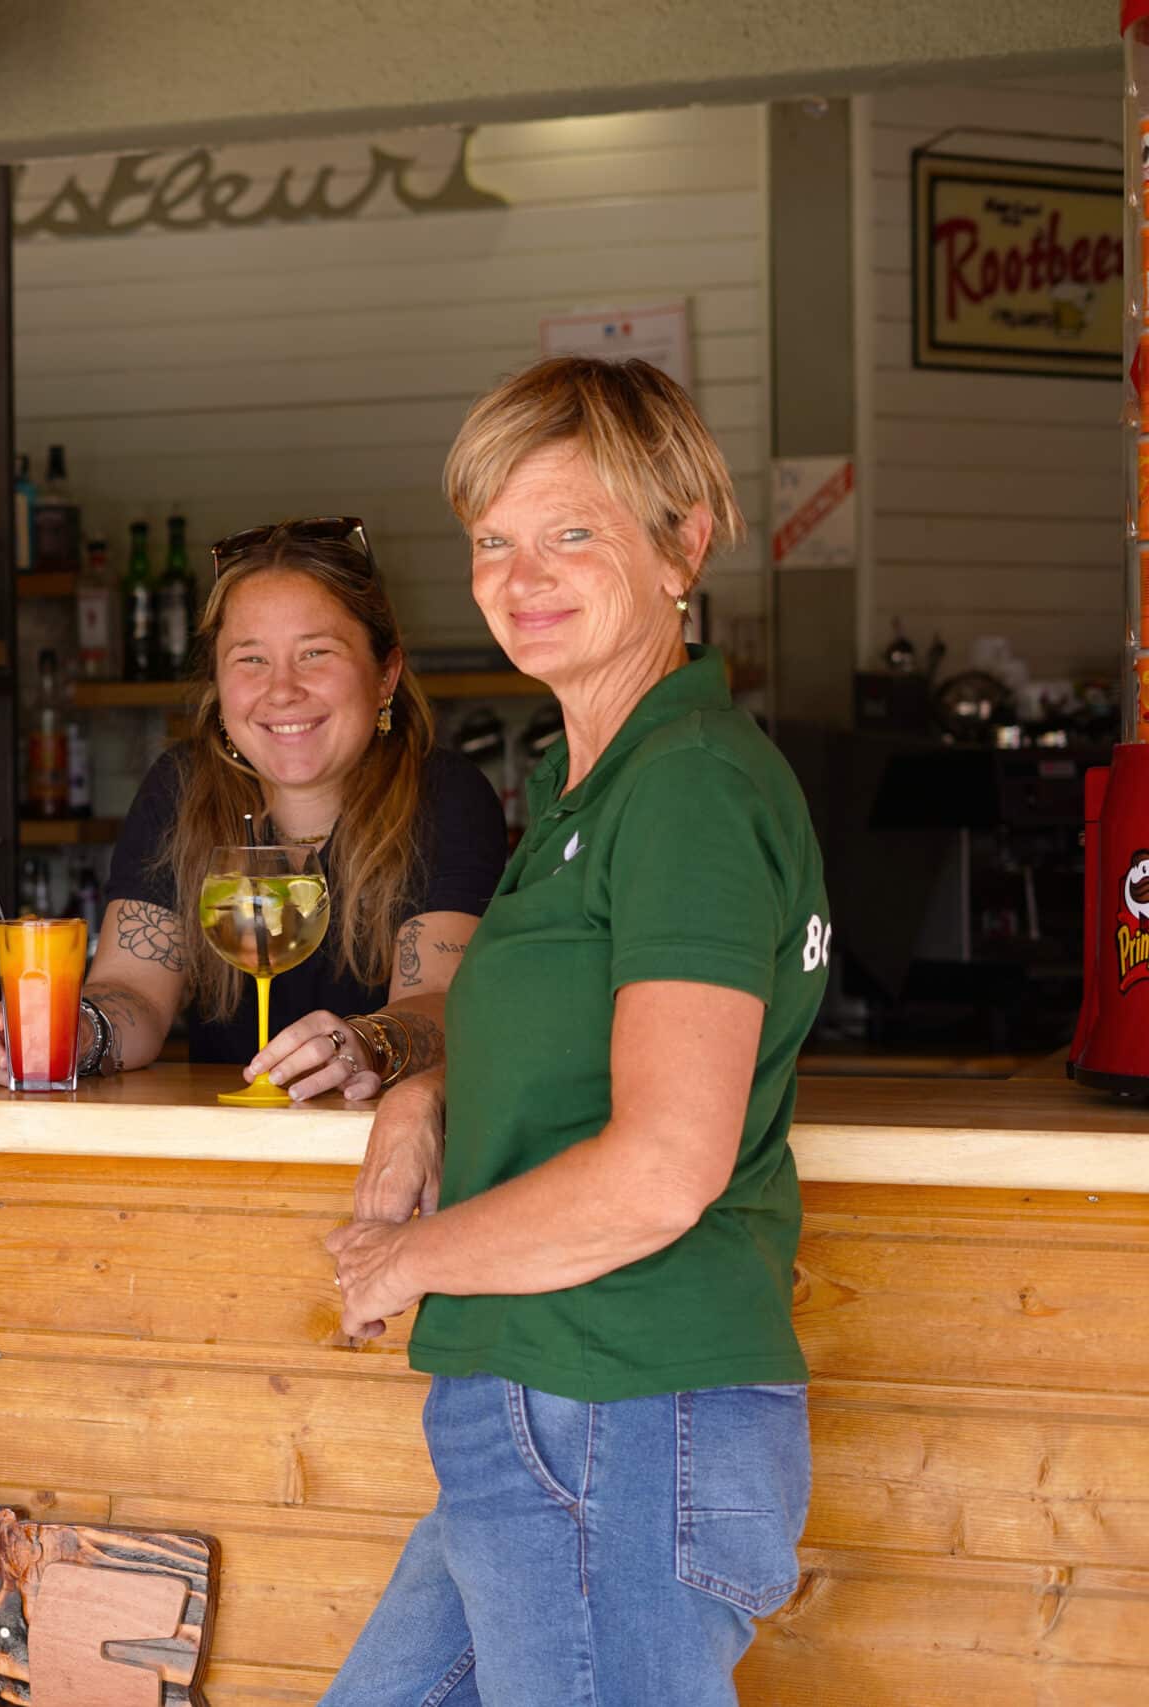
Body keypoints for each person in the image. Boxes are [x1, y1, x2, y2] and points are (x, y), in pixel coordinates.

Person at [320, 357, 830, 1706]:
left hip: (620, 1410)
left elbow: (666, 1162)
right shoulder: (579, 784)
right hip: (544, 1411)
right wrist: (418, 1095)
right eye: (493, 540)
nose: (520, 573)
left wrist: (405, 1256)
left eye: (571, 532)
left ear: (684, 545)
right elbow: (553, 1045)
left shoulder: (691, 790)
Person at [0, 518, 506, 1151]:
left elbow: (440, 998)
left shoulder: (444, 795)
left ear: (385, 673)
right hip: (222, 1150)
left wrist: (365, 1043)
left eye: (316, 653)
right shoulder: (182, 790)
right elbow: (136, 989)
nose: (282, 690)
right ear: (219, 687)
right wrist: (79, 1033)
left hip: (385, 1154)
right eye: (250, 659)